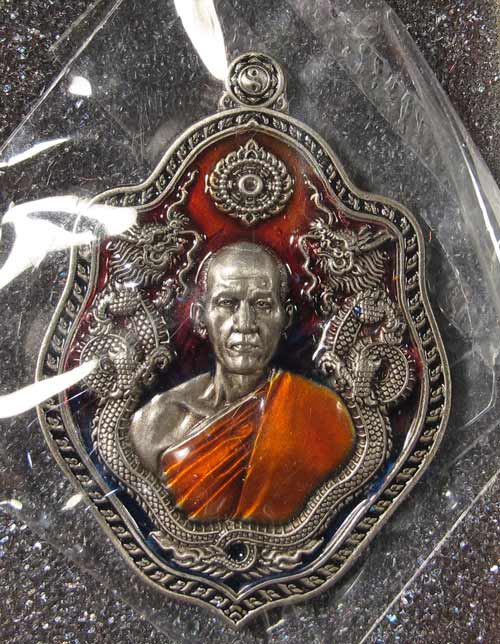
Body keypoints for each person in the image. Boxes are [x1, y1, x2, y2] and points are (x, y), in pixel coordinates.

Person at [130, 241, 355, 524]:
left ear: (285, 317)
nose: (245, 323)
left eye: (262, 304)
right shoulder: (154, 424)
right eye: (227, 303)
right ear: (200, 316)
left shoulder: (323, 416)